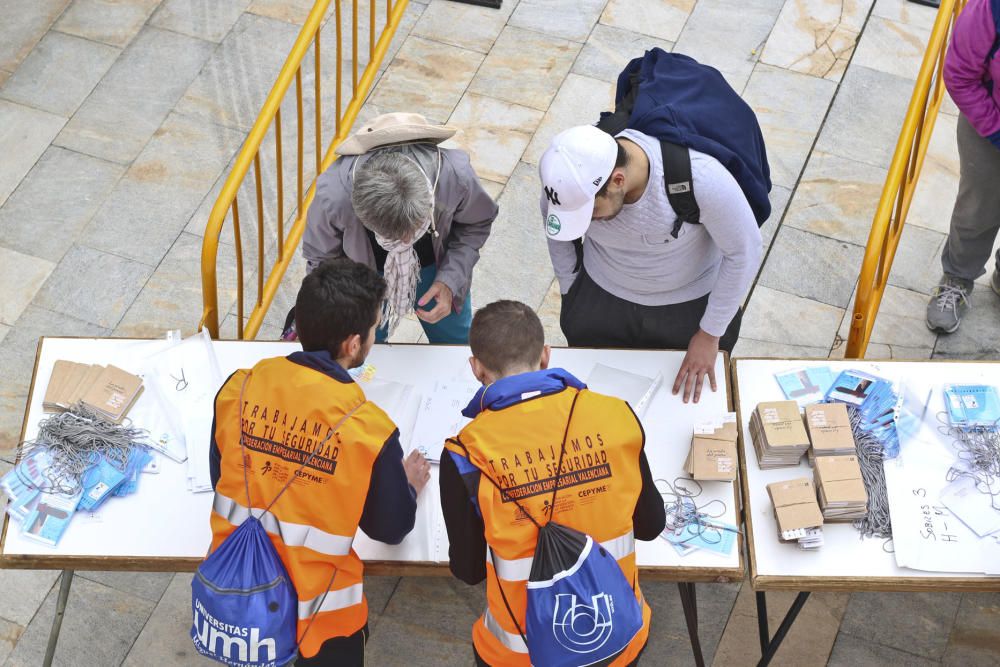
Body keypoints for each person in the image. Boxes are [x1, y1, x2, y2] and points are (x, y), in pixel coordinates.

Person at [209, 258, 431, 666]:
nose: (374, 337)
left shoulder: (238, 387)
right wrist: (408, 486)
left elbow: (220, 473)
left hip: (237, 591)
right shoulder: (368, 429)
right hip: (321, 619)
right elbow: (390, 528)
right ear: (352, 345)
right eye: (374, 329)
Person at [439, 300, 666, 666]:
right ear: (546, 355)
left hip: (519, 655)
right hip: (616, 639)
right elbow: (651, 526)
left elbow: (467, 571)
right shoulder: (617, 415)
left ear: (476, 368)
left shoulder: (465, 454)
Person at [539, 125, 762, 404]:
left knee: (683, 404)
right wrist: (571, 289)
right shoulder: (567, 185)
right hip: (599, 303)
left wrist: (709, 334)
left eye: (591, 212)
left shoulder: (702, 179)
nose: (585, 222)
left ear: (617, 181)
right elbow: (556, 230)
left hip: (688, 311)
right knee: (595, 404)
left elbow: (745, 252)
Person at [295, 112, 499, 344]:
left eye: (414, 230)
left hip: (437, 268)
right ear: (359, 211)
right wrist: (336, 312)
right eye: (391, 237)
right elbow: (321, 262)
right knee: (364, 348)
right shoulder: (334, 196)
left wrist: (451, 279)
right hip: (363, 279)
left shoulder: (455, 176)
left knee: (456, 343)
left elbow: (476, 222)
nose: (405, 242)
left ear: (428, 197)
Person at [925, 0, 1000, 333]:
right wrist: (996, 130)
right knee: (979, 207)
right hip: (991, 123)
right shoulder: (989, 8)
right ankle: (957, 277)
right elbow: (960, 75)